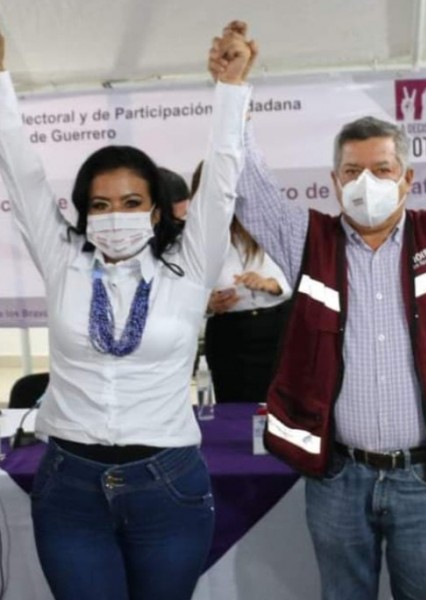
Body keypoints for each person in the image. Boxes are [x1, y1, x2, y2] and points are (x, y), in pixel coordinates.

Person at [209, 6, 426, 599]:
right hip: (337, 475)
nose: (365, 182)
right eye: (352, 171)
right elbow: (249, 185)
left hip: (423, 475)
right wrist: (232, 91)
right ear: (333, 181)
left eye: (381, 169)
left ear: (408, 178)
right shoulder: (308, 239)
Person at [0, 23, 255, 600]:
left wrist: (232, 86)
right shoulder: (63, 260)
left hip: (167, 486)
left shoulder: (188, 269)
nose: (116, 215)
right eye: (100, 204)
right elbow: (22, 172)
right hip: (70, 488)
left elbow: (220, 184)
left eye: (132, 203)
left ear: (159, 212)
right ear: (84, 213)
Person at [194, 163, 292, 403]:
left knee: (283, 405)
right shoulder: (196, 237)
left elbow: (300, 275)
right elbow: (183, 292)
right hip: (229, 334)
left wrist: (271, 284)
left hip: (276, 328)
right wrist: (208, 304)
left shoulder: (271, 225)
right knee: (235, 406)